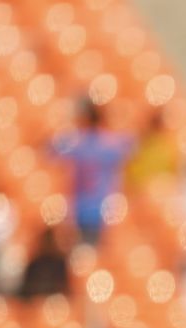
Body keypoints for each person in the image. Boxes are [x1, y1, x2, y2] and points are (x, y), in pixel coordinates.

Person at [51, 100, 134, 246]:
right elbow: (131, 145)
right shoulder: (111, 144)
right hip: (104, 208)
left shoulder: (78, 143)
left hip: (82, 207)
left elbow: (52, 149)